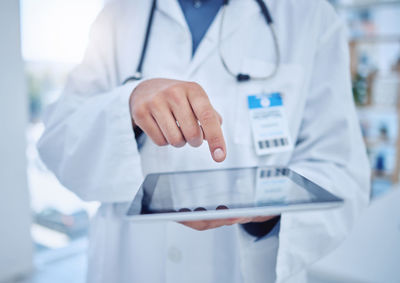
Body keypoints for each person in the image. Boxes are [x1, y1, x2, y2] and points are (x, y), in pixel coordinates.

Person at [38, 0, 370, 282]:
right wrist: (127, 105)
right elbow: (57, 139)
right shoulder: (120, 13)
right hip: (130, 265)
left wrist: (267, 211)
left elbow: (340, 169)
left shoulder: (309, 16)